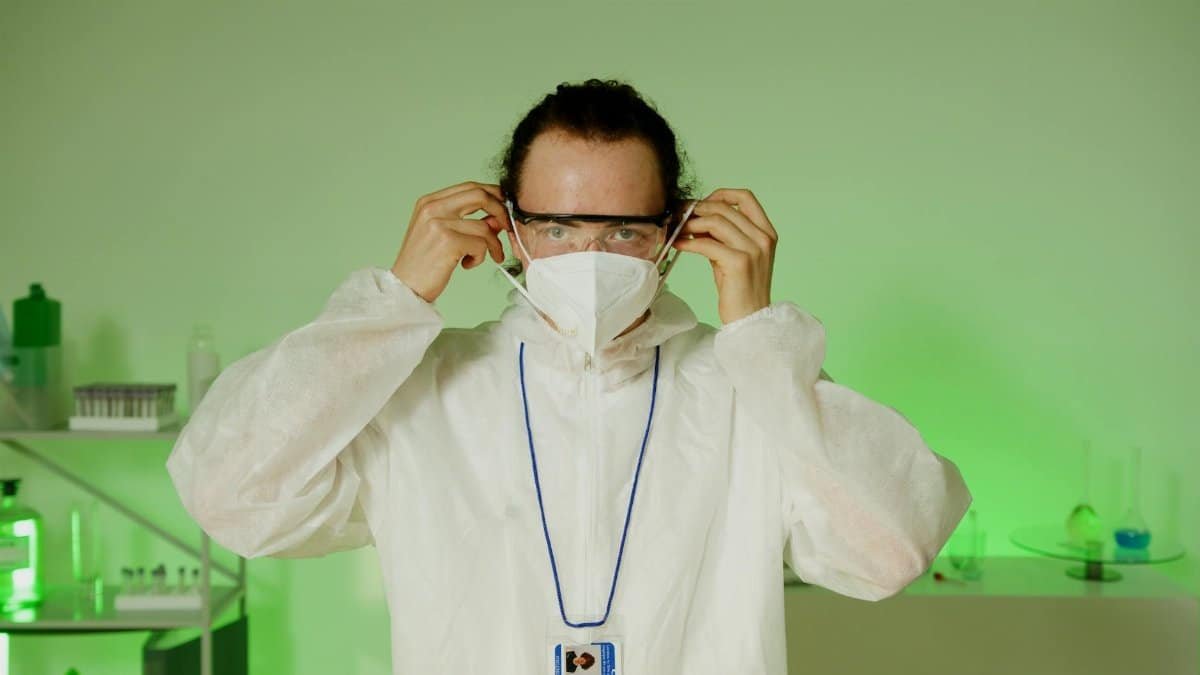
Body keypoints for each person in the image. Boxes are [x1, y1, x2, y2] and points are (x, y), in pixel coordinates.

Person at [167, 78, 971, 675]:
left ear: (676, 233)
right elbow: (231, 492)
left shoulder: (747, 394)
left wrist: (760, 335)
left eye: (623, 228)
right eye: (556, 226)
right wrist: (396, 300)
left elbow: (892, 547)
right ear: (508, 229)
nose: (589, 257)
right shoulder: (419, 390)